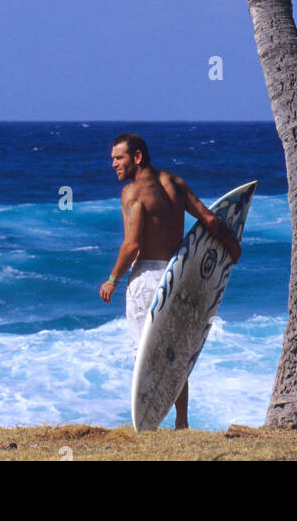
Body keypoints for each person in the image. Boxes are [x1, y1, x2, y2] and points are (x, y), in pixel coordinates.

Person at [99, 131, 242, 430]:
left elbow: (132, 245)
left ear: (137, 157)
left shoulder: (133, 193)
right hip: (176, 275)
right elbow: (211, 220)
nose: (113, 164)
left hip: (146, 279)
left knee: (144, 351)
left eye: (118, 157)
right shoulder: (175, 183)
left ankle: (146, 421)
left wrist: (113, 279)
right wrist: (231, 245)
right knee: (174, 352)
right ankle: (181, 422)